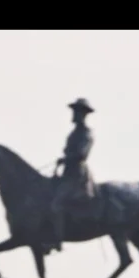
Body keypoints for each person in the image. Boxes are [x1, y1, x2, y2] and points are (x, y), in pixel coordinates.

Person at [48, 99, 96, 252]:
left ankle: (57, 240)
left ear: (83, 114)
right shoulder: (74, 133)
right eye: (73, 111)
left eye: (76, 112)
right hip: (68, 172)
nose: (73, 115)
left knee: (57, 204)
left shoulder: (87, 133)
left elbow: (81, 155)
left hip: (77, 176)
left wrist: (65, 159)